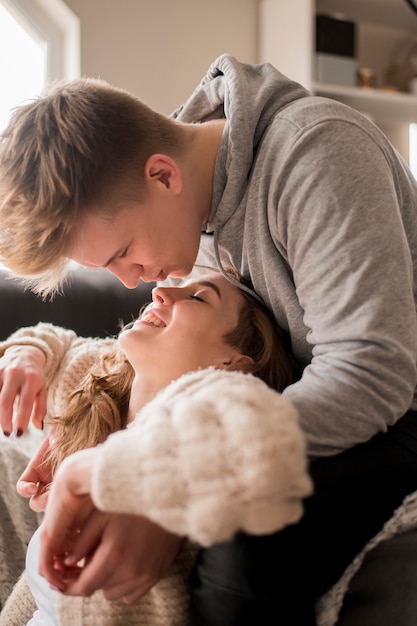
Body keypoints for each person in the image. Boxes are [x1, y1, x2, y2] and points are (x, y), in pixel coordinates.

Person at [1, 53, 417, 624]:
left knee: (240, 553)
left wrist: (161, 473)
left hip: (399, 410)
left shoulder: (315, 150)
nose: (132, 282)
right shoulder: (183, 207)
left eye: (123, 253)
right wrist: (84, 417)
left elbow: (371, 376)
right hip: (272, 407)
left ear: (163, 174)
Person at [0, 269, 311, 625]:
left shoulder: (224, 406)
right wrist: (28, 353)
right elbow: (58, 343)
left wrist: (133, 473)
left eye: (198, 298)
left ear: (233, 362)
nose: (160, 291)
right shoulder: (107, 379)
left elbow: (244, 415)